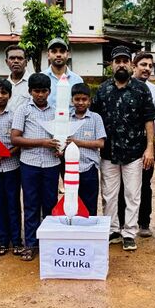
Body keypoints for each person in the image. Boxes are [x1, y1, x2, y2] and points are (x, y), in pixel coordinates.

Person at [92, 46, 155, 251]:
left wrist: (149, 148)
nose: (121, 64)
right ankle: (112, 230)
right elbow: (94, 119)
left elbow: (149, 120)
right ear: (111, 65)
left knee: (132, 194)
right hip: (109, 152)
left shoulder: (141, 89)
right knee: (109, 195)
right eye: (117, 61)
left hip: (134, 152)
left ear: (130, 64)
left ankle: (129, 232)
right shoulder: (103, 90)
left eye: (124, 61)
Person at [11, 73, 61, 261]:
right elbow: (14, 138)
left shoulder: (57, 111)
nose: (40, 95)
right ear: (30, 91)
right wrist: (42, 142)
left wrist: (60, 148)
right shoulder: (23, 110)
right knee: (31, 204)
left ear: (49, 91)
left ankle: (48, 243)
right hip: (29, 163)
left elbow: (61, 137)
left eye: (43, 91)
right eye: (36, 91)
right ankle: (30, 244)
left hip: (51, 164)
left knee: (50, 203)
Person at [117, 51, 155, 237]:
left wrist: (153, 146)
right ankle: (122, 222)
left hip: (146, 147)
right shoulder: (121, 85)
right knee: (123, 185)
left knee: (145, 184)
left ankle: (143, 222)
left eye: (150, 66)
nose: (147, 69)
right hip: (125, 145)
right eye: (143, 65)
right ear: (133, 66)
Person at [0, 78, 24, 256]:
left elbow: (19, 142)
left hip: (12, 166)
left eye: (4, 93)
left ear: (9, 95)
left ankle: (16, 240)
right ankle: (2, 240)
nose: (0, 96)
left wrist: (6, 153)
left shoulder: (15, 114)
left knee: (13, 203)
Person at [67, 83, 106, 215]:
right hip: (70, 169)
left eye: (84, 99)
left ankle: (89, 232)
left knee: (90, 204)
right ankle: (74, 232)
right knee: (71, 202)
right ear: (72, 100)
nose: (80, 103)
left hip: (89, 168)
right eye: (77, 99)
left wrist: (76, 142)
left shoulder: (95, 118)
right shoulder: (66, 118)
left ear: (90, 100)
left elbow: (101, 143)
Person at [44, 38, 83, 107]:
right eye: (54, 51)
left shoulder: (77, 80)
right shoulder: (41, 77)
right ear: (48, 55)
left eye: (62, 51)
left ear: (67, 55)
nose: (58, 54)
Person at [4, 44, 31, 112]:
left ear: (26, 62)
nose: (16, 61)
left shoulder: (33, 83)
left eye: (20, 58)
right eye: (12, 58)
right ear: (7, 62)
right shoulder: (3, 85)